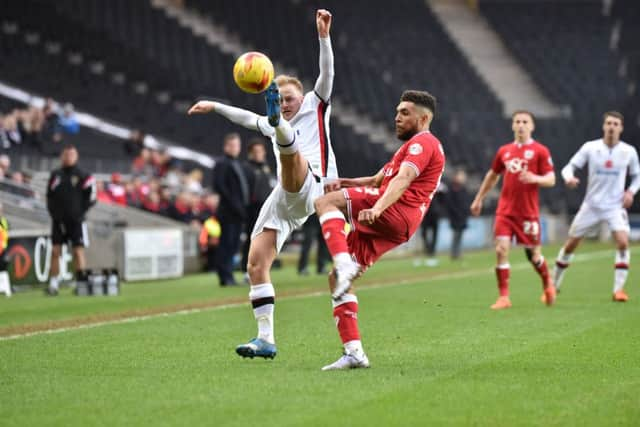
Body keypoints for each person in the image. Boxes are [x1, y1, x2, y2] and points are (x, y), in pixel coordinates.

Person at [188, 9, 336, 359]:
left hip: (313, 184)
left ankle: (285, 140)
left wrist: (324, 36)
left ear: (302, 97)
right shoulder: (271, 123)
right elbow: (242, 117)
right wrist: (213, 105)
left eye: (288, 99)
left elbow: (327, 71)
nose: (286, 103)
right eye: (280, 100)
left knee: (290, 151)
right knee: (255, 263)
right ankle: (265, 338)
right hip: (285, 196)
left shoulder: (317, 104)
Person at [314, 90, 445, 370]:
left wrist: (378, 208)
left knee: (324, 203)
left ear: (423, 118)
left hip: (396, 211)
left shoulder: (424, 143)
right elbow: (377, 180)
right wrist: (347, 182)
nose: (397, 117)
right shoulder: (408, 147)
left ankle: (342, 261)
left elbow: (403, 179)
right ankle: (354, 352)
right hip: (400, 222)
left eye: (404, 113)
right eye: (397, 111)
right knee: (337, 278)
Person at [470, 110, 556, 310]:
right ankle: (504, 297)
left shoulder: (540, 151)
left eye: (525, 121)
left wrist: (535, 178)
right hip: (505, 211)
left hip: (528, 213)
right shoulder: (504, 151)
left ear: (532, 126)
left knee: (534, 256)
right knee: (501, 249)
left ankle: (547, 284)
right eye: (517, 121)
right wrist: (478, 198)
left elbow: (551, 179)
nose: (521, 125)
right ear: (512, 125)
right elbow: (492, 175)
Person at [552, 111, 640, 302]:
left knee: (623, 242)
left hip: (614, 206)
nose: (611, 127)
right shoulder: (590, 148)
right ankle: (553, 286)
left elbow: (637, 176)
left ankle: (618, 290)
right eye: (608, 123)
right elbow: (568, 167)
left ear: (621, 128)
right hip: (591, 205)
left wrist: (630, 192)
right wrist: (569, 178)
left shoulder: (628, 151)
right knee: (570, 246)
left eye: (616, 124)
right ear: (603, 126)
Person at [45, 144, 96, 296]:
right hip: (58, 220)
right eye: (66, 155)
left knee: (78, 251)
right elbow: (49, 195)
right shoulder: (56, 175)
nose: (69, 158)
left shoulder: (83, 175)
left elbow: (92, 196)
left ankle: (81, 283)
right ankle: (53, 284)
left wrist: (80, 212)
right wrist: (54, 213)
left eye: (71, 155)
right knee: (55, 251)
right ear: (62, 156)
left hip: (76, 221)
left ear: (76, 156)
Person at [211, 133, 250, 286]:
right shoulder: (222, 163)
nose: (236, 148)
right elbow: (220, 186)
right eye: (233, 145)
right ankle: (225, 277)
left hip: (236, 212)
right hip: (228, 212)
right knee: (227, 244)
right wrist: (236, 205)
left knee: (233, 245)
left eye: (237, 145)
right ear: (226, 146)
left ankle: (229, 276)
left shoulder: (236, 164)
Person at [241, 138, 276, 281]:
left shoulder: (265, 167)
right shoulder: (247, 168)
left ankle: (262, 268)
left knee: (265, 241)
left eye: (261, 151)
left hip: (266, 209)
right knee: (251, 239)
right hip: (253, 209)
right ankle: (246, 270)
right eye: (256, 152)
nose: (259, 154)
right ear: (250, 153)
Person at [444, 169, 470, 260]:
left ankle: (458, 253)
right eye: (461, 176)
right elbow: (450, 204)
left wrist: (465, 212)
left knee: (460, 235)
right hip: (455, 217)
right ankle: (454, 253)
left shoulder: (463, 188)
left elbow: (466, 202)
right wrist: (457, 213)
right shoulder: (452, 188)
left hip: (462, 216)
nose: (463, 178)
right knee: (456, 235)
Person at [0, 202, 11, 297]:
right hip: (2, 248)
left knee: (3, 269)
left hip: (2, 249)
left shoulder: (4, 221)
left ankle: (6, 289)